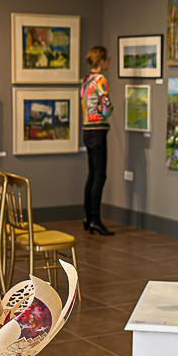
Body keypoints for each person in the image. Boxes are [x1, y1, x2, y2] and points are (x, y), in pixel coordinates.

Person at [80, 46, 114, 236]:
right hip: (98, 130)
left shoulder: (86, 80)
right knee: (100, 176)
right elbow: (106, 109)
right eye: (107, 59)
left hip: (87, 130)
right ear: (101, 61)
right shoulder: (101, 80)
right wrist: (110, 108)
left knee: (92, 174)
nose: (108, 62)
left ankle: (88, 217)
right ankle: (95, 219)